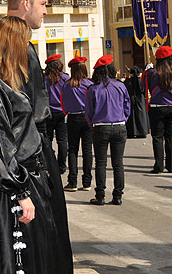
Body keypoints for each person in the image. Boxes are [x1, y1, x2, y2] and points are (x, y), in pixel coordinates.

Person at [0, 16, 72, 274]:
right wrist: (20, 192)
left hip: (8, 180)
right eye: (25, 44)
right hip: (4, 185)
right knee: (15, 260)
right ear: (13, 45)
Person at [6, 0, 73, 273]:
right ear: (26, 3)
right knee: (44, 234)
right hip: (30, 155)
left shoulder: (13, 42)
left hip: (27, 152)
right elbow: (23, 112)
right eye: (43, 4)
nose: (46, 10)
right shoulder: (18, 46)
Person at [85, 55, 130, 205]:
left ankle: (100, 195)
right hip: (119, 126)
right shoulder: (120, 86)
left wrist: (93, 123)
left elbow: (88, 112)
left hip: (100, 127)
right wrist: (122, 119)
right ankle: (118, 196)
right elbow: (127, 107)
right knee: (118, 163)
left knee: (100, 163)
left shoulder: (93, 89)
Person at [142, 46, 172, 173]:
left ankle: (158, 165)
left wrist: (146, 72)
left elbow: (144, 88)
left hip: (157, 107)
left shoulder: (151, 73)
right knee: (171, 136)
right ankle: (171, 166)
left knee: (157, 137)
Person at [60, 56, 93, 192]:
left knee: (73, 150)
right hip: (87, 118)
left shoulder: (66, 85)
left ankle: (72, 181)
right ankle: (87, 182)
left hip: (72, 118)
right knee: (87, 150)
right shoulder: (89, 85)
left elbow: (63, 104)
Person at [44, 54, 70, 173]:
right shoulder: (65, 78)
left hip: (48, 112)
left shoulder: (44, 79)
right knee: (62, 140)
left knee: (48, 140)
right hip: (62, 112)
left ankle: (50, 164)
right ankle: (61, 166)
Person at [124, 66, 149, 139]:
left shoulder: (128, 81)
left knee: (131, 116)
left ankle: (131, 131)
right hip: (140, 100)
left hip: (131, 99)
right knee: (141, 115)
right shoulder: (141, 81)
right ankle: (142, 131)